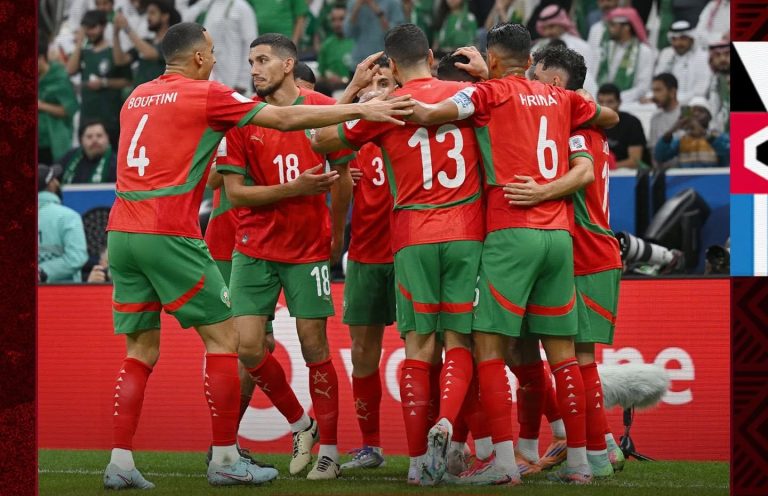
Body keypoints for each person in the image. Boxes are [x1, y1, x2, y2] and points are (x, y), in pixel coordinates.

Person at [101, 21, 413, 490]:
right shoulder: (208, 95)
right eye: (213, 52)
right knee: (230, 342)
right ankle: (228, 456)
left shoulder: (135, 97)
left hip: (121, 231)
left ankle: (120, 462)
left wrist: (348, 97)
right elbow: (283, 121)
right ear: (199, 58)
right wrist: (363, 107)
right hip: (169, 231)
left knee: (140, 351)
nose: (219, 61)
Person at [407, 22, 619, 485]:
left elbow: (431, 113)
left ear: (492, 58)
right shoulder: (563, 98)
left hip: (511, 232)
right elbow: (609, 116)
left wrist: (382, 100)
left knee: (488, 347)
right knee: (563, 354)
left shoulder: (490, 93)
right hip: (559, 238)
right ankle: (581, 464)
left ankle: (503, 463)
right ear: (530, 59)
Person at [313, 24, 486, 487]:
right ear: (430, 56)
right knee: (458, 343)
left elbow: (320, 141)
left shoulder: (386, 110)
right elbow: (512, 105)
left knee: (419, 348)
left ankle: (421, 461)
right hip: (460, 232)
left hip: (412, 236)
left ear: (391, 65)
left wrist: (359, 103)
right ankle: (449, 432)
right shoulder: (468, 94)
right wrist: (488, 75)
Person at [217, 34, 361, 481]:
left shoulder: (321, 108)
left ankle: (330, 452)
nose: (254, 69)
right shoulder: (243, 117)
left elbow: (343, 177)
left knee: (315, 346)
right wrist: (294, 189)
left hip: (307, 249)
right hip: (253, 248)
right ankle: (302, 423)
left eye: (262, 60)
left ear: (287, 65)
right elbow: (235, 194)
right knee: (247, 347)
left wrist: (337, 233)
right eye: (250, 61)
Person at [517, 42, 625, 478]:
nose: (529, 83)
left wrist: (538, 192)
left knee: (577, 361)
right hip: (591, 252)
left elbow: (579, 173)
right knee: (577, 360)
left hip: (585, 254)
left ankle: (595, 453)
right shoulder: (587, 126)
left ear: (556, 82)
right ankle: (599, 446)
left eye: (536, 74)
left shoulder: (572, 129)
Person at [332, 55, 397, 471]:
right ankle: (371, 445)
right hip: (365, 255)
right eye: (370, 84)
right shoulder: (350, 138)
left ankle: (439, 446)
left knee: (429, 351)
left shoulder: (411, 127)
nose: (376, 92)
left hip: (410, 253)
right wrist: (341, 177)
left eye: (385, 83)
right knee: (362, 353)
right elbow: (318, 141)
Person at [66, 10, 132, 149]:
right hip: (87, 117)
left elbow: (127, 81)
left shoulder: (113, 52)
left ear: (103, 26)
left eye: (93, 27)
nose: (89, 32)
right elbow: (70, 70)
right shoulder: (84, 53)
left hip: (110, 119)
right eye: (86, 28)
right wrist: (79, 43)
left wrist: (104, 83)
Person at [38, 164, 89, 284]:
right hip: (63, 292)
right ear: (51, 184)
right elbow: (77, 258)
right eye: (54, 179)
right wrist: (41, 272)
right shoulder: (68, 217)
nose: (57, 182)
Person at [112, 0, 180, 86]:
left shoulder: (172, 42)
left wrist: (127, 28)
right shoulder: (147, 42)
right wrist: (116, 33)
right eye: (147, 13)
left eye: (152, 13)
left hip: (158, 92)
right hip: (139, 93)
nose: (148, 17)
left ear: (165, 16)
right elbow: (120, 60)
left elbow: (150, 53)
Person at [595, 7, 653, 104]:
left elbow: (643, 87)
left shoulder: (644, 51)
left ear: (626, 27)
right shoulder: (607, 48)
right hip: (602, 102)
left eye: (613, 25)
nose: (609, 29)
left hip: (630, 103)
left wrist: (617, 99)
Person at [654, 96, 730, 168]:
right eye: (692, 111)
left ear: (709, 117)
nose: (696, 114)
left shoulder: (718, 136)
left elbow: (729, 154)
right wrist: (671, 130)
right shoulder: (681, 140)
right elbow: (660, 157)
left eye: (701, 111)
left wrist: (704, 133)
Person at [200, 0, 257, 94]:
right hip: (214, 76)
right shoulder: (211, 5)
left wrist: (242, 82)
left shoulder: (241, 7)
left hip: (236, 79)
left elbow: (251, 46)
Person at [38, 37, 79, 165]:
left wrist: (42, 106)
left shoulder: (59, 77)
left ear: (41, 58)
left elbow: (68, 110)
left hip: (53, 142)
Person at [653, 20, 709, 105]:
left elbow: (700, 90)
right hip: (666, 101)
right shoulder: (666, 53)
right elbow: (658, 82)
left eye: (683, 39)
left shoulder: (703, 57)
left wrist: (675, 100)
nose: (677, 43)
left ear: (691, 39)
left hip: (691, 103)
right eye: (674, 39)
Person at [597, 83, 648, 169]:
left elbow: (635, 161)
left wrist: (608, 167)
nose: (605, 106)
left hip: (628, 175)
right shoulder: (592, 125)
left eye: (610, 102)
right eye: (601, 102)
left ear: (619, 102)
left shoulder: (632, 123)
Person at [345, 0, 405, 66]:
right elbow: (348, 33)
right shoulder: (353, 3)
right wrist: (356, 9)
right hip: (359, 61)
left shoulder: (393, 3)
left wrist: (378, 11)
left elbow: (397, 35)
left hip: (384, 61)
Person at [56, 119, 118, 184]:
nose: (94, 140)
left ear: (107, 138)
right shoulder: (70, 157)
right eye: (89, 137)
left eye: (99, 136)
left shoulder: (116, 164)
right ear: (81, 140)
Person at [317, 5, 356, 95]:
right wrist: (328, 78)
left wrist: (344, 80)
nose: (337, 24)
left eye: (341, 19)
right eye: (333, 20)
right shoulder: (326, 45)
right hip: (333, 91)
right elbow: (321, 73)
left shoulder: (358, 42)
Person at [649, 73, 681, 168]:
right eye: (653, 91)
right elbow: (653, 152)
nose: (654, 95)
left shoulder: (686, 113)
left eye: (658, 90)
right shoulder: (655, 118)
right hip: (662, 173)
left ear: (672, 92)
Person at [707, 37, 730, 133]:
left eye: (727, 54)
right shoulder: (712, 79)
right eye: (717, 55)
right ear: (711, 60)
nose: (723, 59)